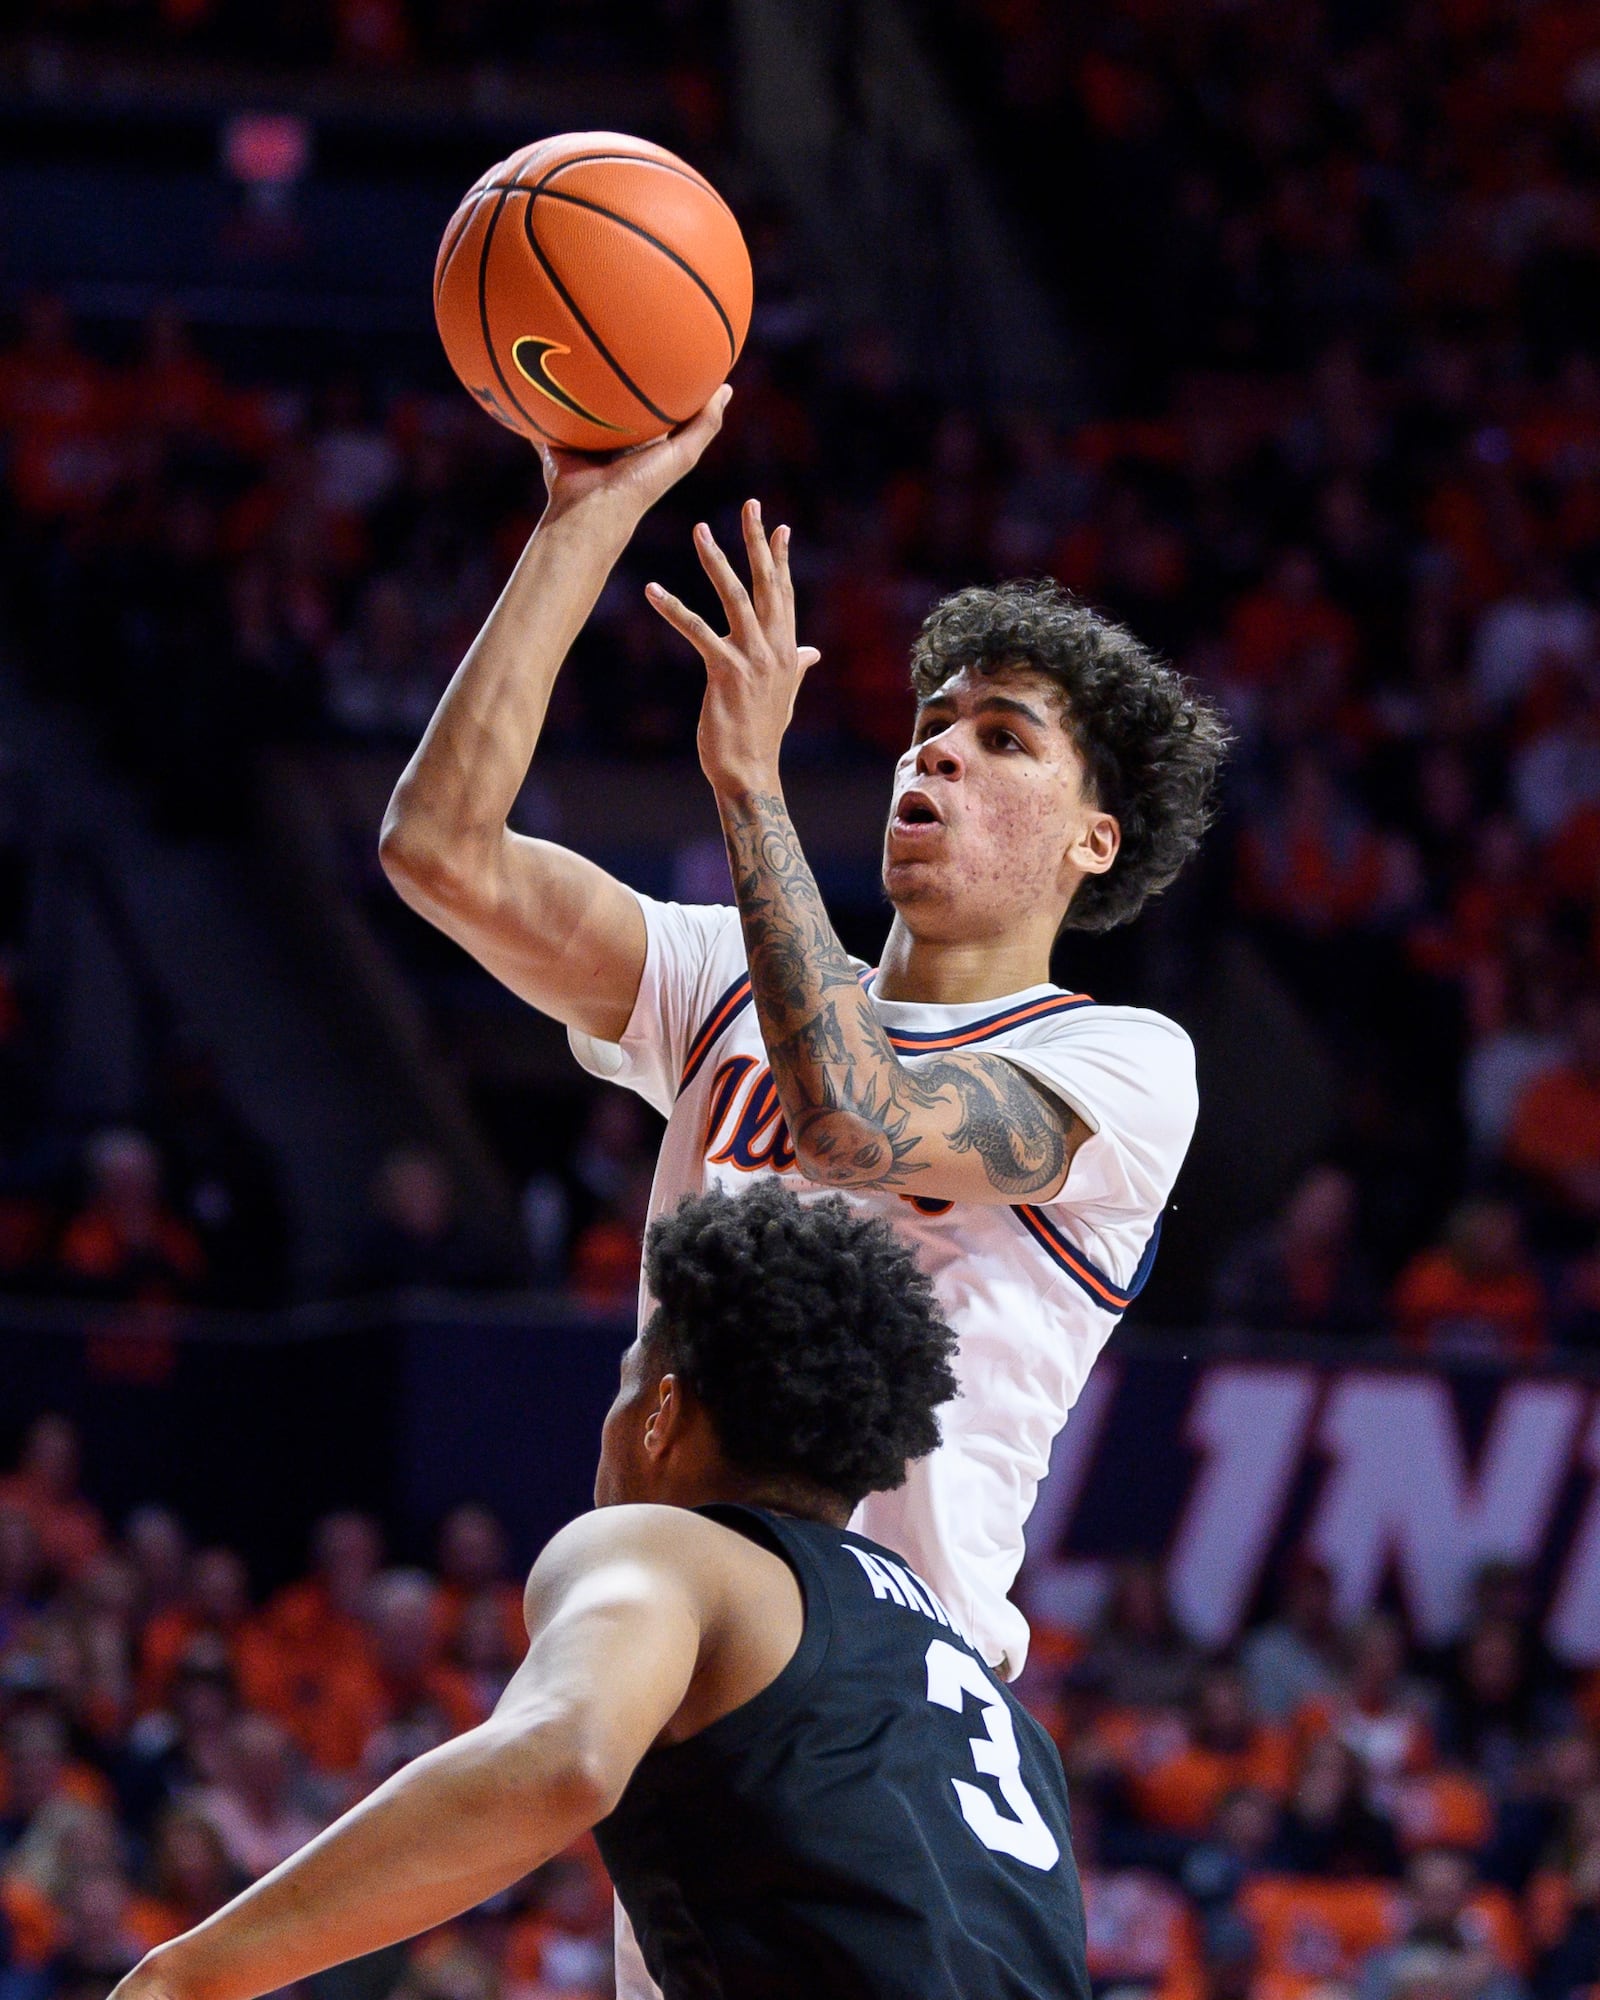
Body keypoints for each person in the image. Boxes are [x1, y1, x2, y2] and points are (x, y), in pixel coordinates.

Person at [380, 392, 1222, 2000]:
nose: (938, 751)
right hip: (681, 1687)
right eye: (933, 723)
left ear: (1090, 843)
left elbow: (858, 1117)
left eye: (1002, 740)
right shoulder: (720, 981)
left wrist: (750, 792)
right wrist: (579, 522)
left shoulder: (1121, 1063)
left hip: (884, 1709)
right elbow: (440, 850)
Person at [106, 1182, 1088, 2000]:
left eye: (625, 1382)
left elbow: (559, 1759)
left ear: (662, 1411)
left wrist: (191, 1971)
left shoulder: (669, 1548)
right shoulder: (972, 1681)